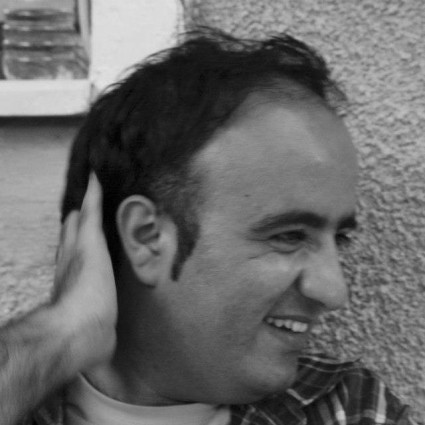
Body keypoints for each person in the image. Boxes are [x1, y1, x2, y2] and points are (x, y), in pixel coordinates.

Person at [0, 28, 417, 425]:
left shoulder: (347, 410)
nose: (333, 291)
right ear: (146, 237)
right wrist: (61, 336)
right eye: (289, 236)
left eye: (338, 238)